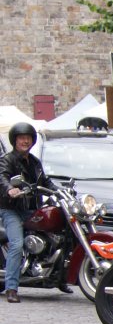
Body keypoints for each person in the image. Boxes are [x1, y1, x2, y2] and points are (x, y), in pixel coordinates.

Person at [1, 122, 60, 301]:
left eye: (28, 138)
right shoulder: (7, 159)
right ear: (14, 140)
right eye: (21, 138)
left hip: (31, 209)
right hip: (11, 209)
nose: (25, 141)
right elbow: (2, 176)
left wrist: (60, 191)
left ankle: (58, 277)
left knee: (57, 233)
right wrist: (9, 188)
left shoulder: (34, 162)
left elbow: (45, 181)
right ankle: (11, 288)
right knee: (17, 244)